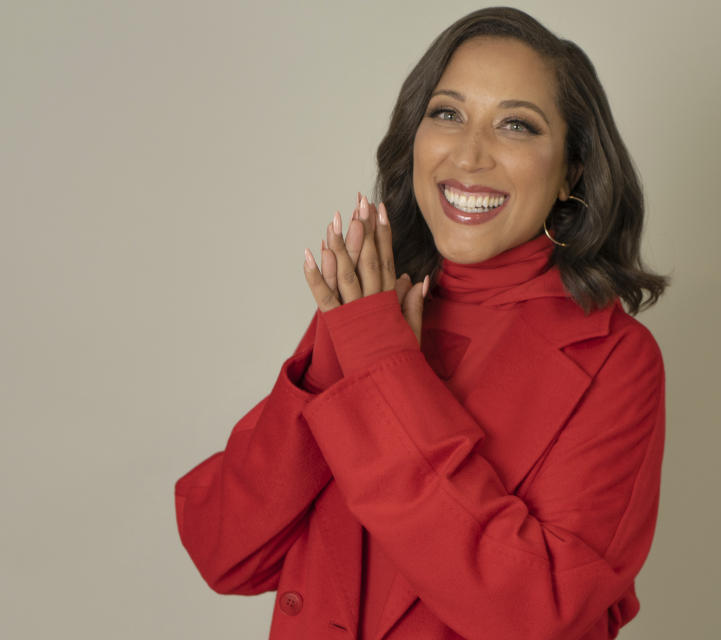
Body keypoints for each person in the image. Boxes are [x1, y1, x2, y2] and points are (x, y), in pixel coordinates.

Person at [175, 7, 668, 639]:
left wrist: (383, 369)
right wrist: (335, 359)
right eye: (447, 113)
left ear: (572, 169)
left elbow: (532, 613)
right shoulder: (366, 306)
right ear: (415, 135)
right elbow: (224, 551)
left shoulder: (616, 360)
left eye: (515, 125)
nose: (469, 154)